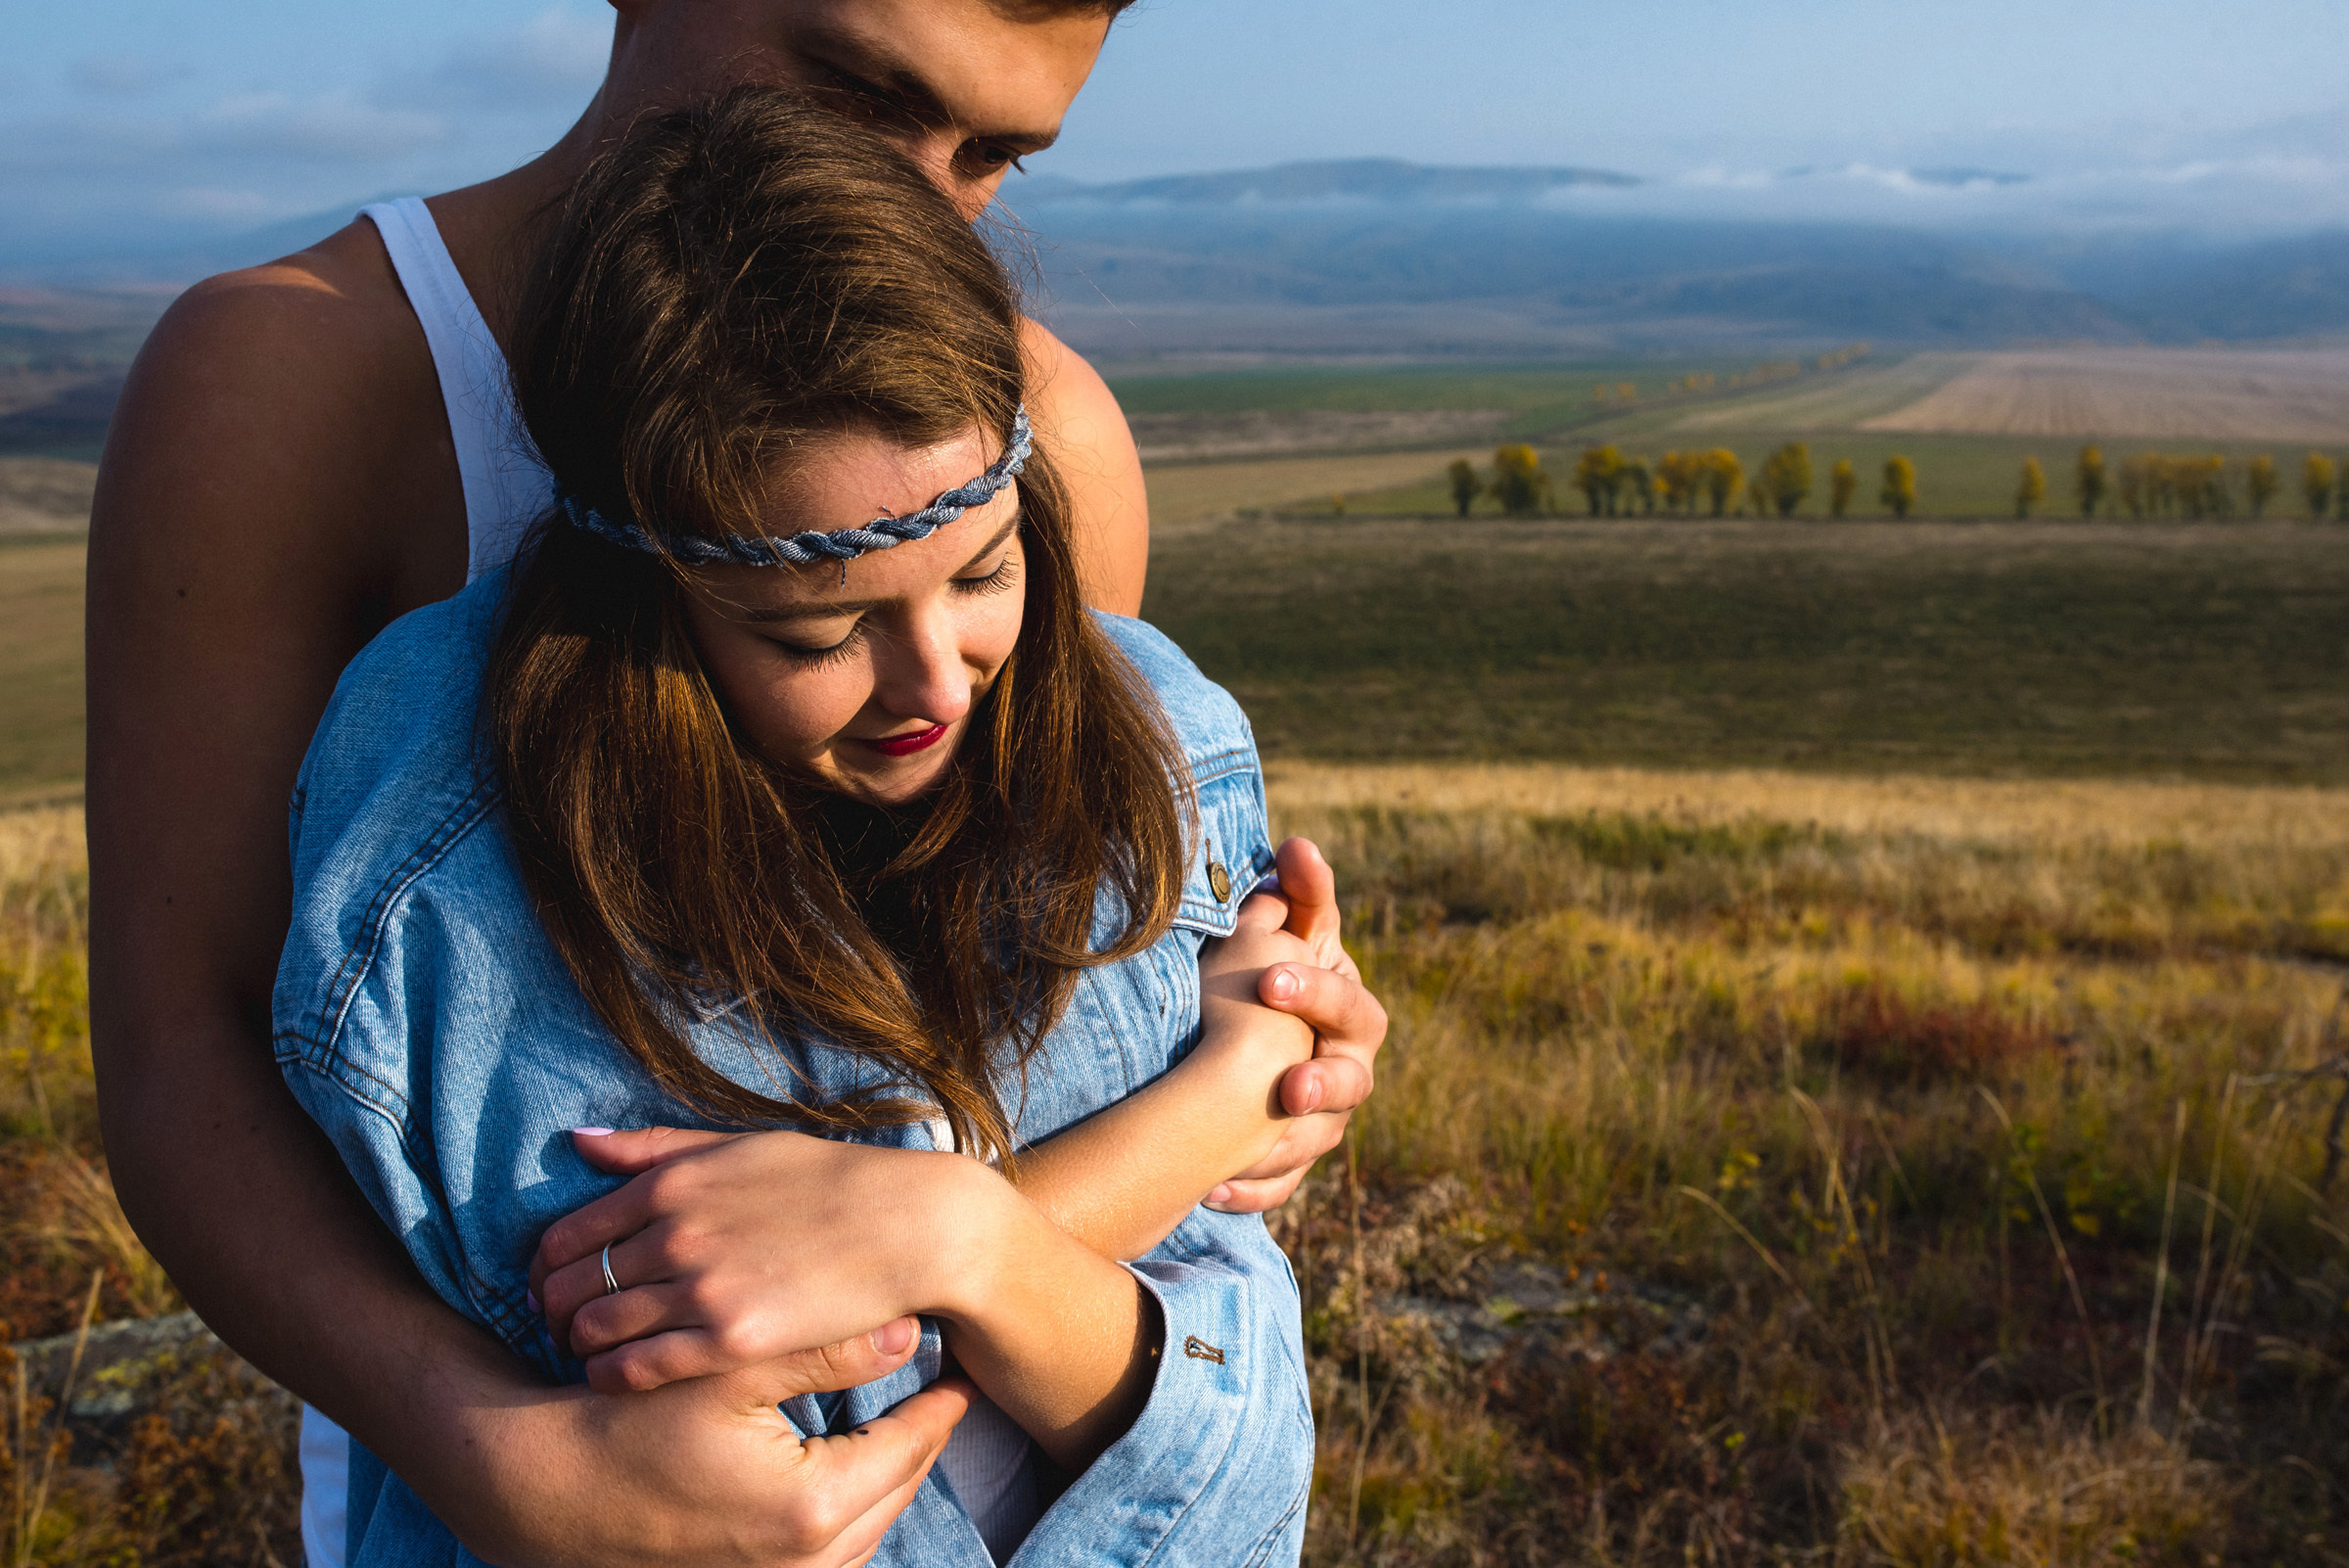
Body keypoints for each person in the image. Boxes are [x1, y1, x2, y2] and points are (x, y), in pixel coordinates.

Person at [85, 3, 1388, 1564]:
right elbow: (184, 1053)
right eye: (857, 86)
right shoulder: (291, 383)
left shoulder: (1044, 449)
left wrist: (1261, 1072)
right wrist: (485, 1442)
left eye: (992, 158)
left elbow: (1070, 1040)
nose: (903, 190)